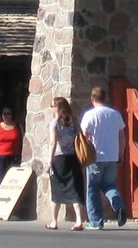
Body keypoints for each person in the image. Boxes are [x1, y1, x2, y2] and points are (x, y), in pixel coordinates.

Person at [79, 85, 128, 230]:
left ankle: (96, 221)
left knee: (92, 189)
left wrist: (84, 155)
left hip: (95, 157)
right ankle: (118, 204)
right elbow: (122, 136)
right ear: (105, 98)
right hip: (112, 156)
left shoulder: (90, 115)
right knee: (110, 185)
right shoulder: (115, 114)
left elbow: (84, 137)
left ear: (92, 99)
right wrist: (121, 154)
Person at [45, 96, 87, 231]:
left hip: (59, 159)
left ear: (58, 108)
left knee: (56, 191)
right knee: (74, 189)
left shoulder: (54, 123)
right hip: (73, 157)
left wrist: (49, 161)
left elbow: (53, 143)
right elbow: (81, 136)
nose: (51, 108)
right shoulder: (73, 121)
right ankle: (79, 221)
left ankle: (54, 221)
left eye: (52, 106)